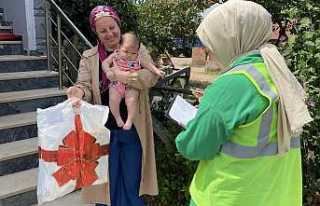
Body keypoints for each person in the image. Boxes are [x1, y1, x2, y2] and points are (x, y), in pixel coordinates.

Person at [175, 1, 312, 206]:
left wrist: (196, 124)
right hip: (278, 196)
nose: (208, 51)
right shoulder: (277, 71)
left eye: (212, 41)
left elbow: (194, 147)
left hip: (228, 197)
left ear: (231, 38)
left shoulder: (232, 84)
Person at [66, 5, 158, 206]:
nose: (109, 34)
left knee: (133, 183)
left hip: (133, 129)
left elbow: (150, 76)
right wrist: (78, 92)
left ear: (119, 25)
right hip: (102, 132)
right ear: (96, 33)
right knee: (107, 184)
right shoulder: (89, 57)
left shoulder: (137, 48)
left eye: (112, 27)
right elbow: (83, 85)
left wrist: (124, 76)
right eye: (103, 30)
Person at [102, 32, 164, 130]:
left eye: (133, 52)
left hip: (132, 85)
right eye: (126, 51)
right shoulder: (115, 55)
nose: (129, 55)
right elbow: (105, 63)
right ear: (119, 47)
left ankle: (129, 120)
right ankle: (117, 118)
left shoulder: (138, 58)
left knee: (131, 100)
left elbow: (148, 65)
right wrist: (108, 71)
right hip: (116, 84)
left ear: (137, 51)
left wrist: (157, 70)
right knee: (113, 100)